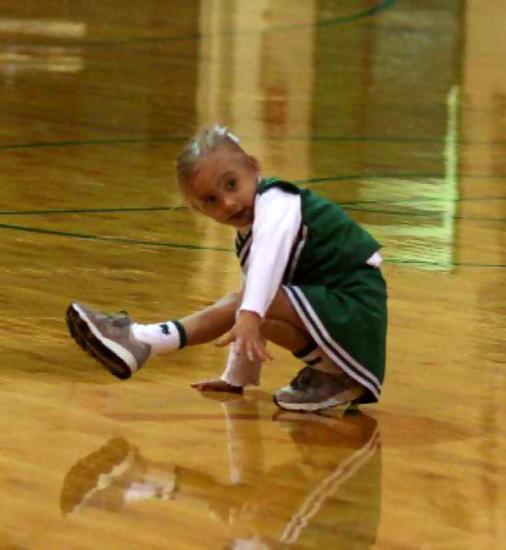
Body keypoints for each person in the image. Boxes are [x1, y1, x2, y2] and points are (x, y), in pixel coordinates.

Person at [66, 125, 388, 411]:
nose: (228, 203)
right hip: (339, 318)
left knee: (249, 304)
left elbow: (263, 276)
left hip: (355, 306)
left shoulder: (278, 201)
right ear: (199, 210)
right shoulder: (246, 236)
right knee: (252, 307)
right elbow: (254, 301)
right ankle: (334, 376)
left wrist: (248, 314)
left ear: (254, 167)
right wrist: (235, 378)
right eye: (210, 201)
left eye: (231, 184)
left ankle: (142, 340)